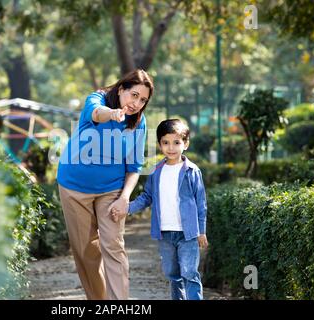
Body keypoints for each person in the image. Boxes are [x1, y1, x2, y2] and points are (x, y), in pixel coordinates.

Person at [56, 69, 154, 300]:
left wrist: (124, 198)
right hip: (74, 188)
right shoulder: (97, 99)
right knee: (87, 251)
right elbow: (96, 113)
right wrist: (113, 114)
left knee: (114, 246)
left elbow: (134, 167)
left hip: (111, 190)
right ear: (121, 89)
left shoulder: (138, 123)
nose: (137, 103)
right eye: (134, 95)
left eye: (143, 100)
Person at [111, 118, 209, 300]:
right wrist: (128, 208)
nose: (171, 147)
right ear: (159, 145)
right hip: (164, 233)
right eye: (166, 143)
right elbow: (147, 197)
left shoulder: (192, 171)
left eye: (176, 142)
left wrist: (201, 231)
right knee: (172, 272)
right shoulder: (155, 171)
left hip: (188, 233)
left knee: (189, 271)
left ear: (185, 144)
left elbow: (201, 202)